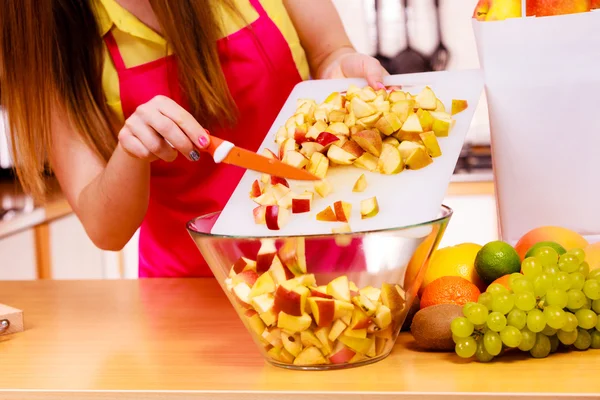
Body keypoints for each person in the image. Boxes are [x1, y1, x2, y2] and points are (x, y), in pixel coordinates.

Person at [0, 0, 388, 277]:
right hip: (186, 295)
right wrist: (131, 151)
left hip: (326, 271)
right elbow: (106, 229)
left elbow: (330, 52)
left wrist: (343, 68)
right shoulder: (53, 34)